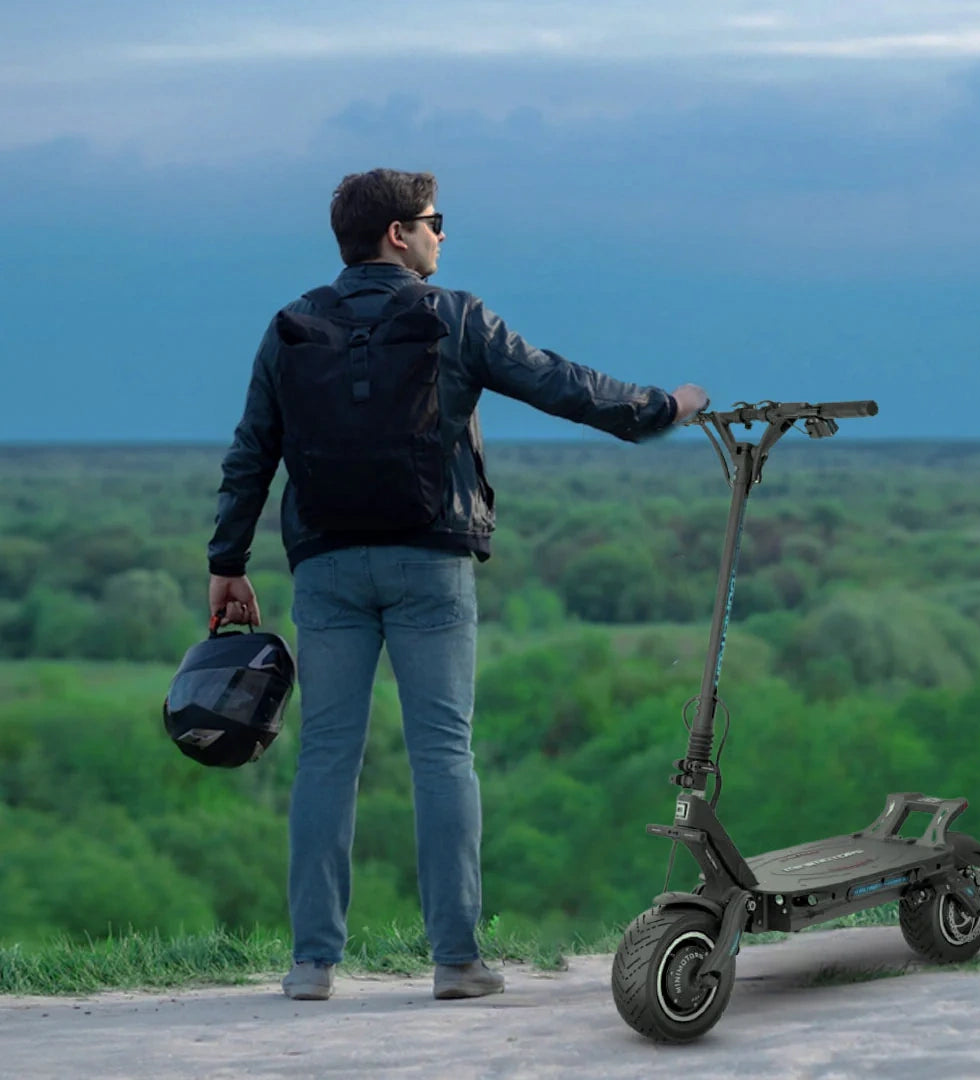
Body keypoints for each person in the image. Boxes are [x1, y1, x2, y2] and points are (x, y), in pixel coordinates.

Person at [206, 168, 708, 1002]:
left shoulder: (291, 325)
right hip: (430, 562)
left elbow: (252, 452)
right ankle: (457, 962)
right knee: (443, 754)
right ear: (398, 234)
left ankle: (310, 966)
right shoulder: (455, 316)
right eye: (434, 220)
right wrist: (666, 406)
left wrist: (228, 564)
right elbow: (563, 385)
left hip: (326, 566)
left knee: (326, 759)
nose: (443, 233)